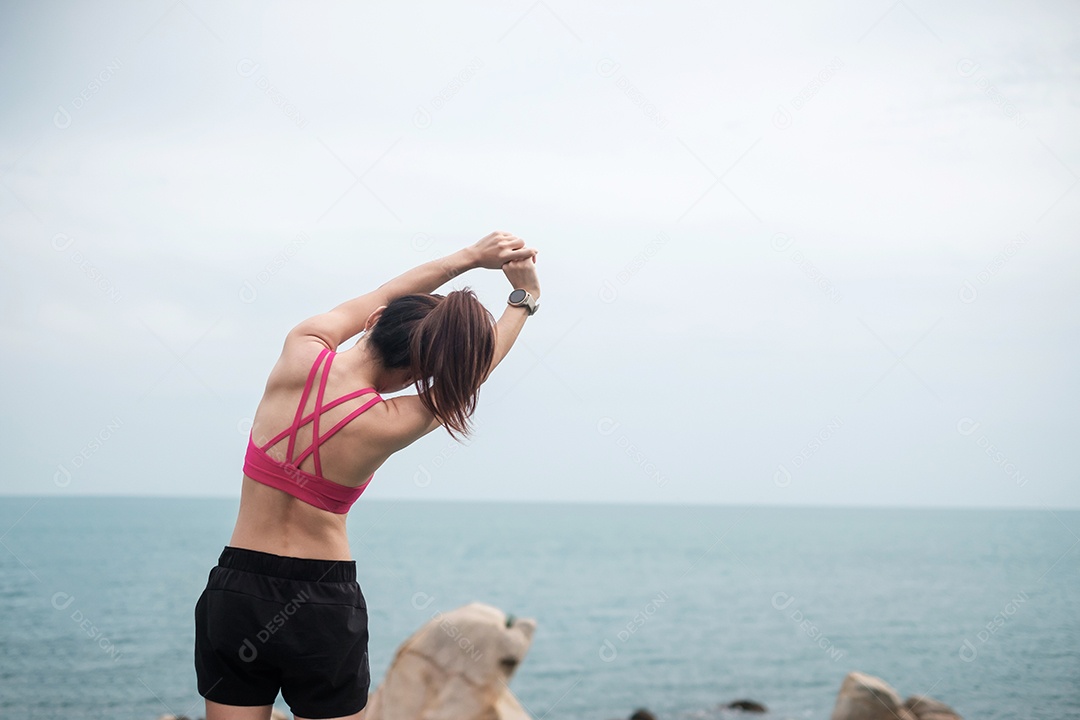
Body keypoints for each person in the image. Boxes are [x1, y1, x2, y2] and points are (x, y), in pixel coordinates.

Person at [193, 231, 542, 720]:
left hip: (237, 589)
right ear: (415, 374)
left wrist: (470, 257)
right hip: (321, 600)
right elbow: (472, 372)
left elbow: (385, 293)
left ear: (375, 321)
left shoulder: (302, 345)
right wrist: (524, 300)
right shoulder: (387, 422)